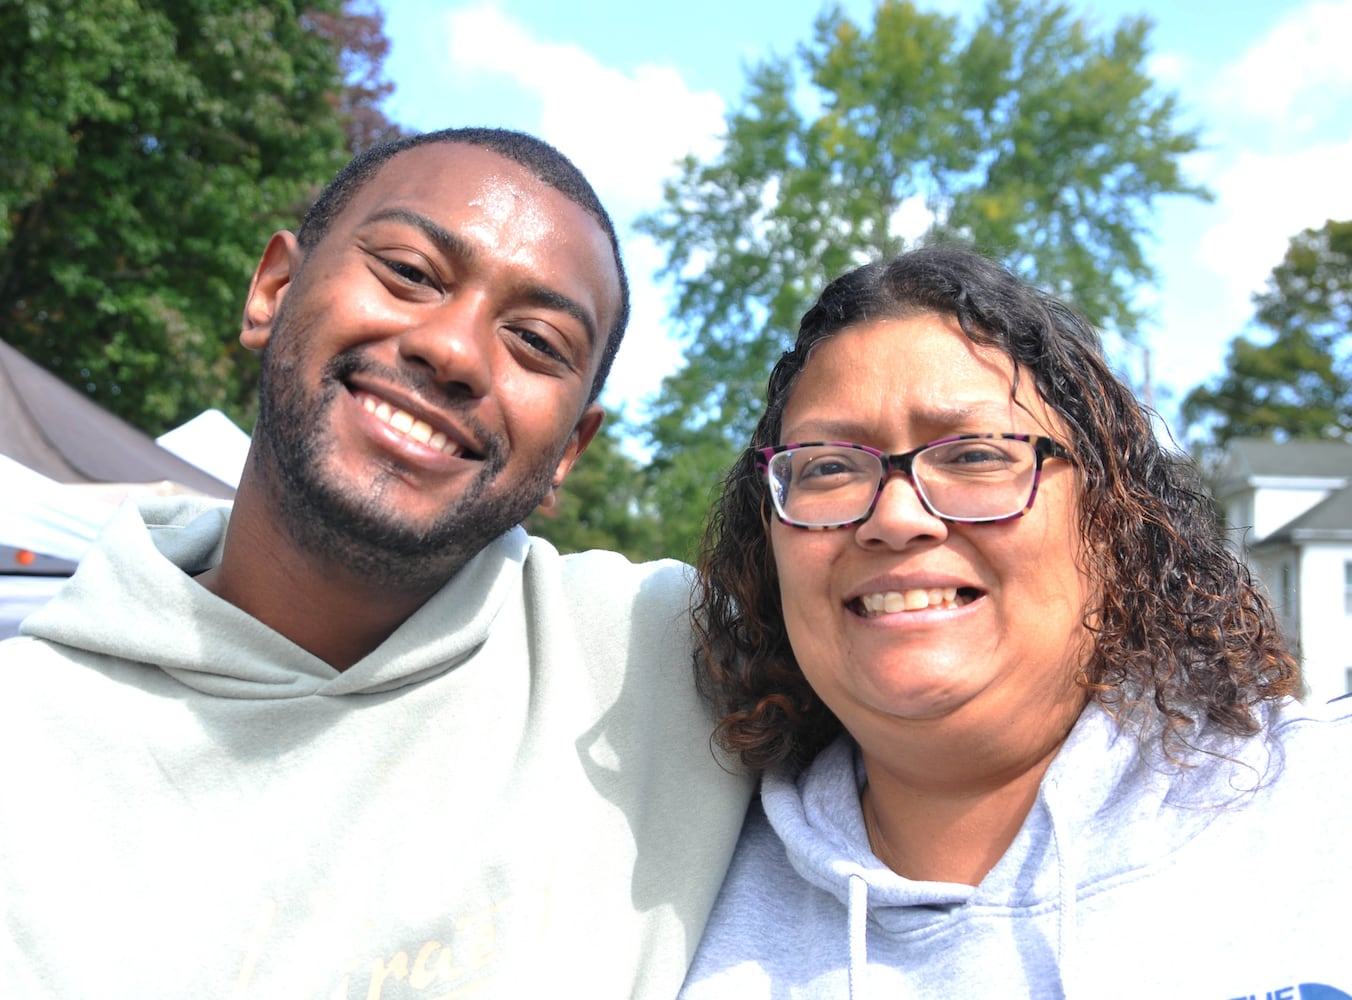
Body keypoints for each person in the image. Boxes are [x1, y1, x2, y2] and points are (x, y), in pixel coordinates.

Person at [0, 128, 750, 998]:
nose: (457, 350)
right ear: (273, 291)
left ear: (569, 452)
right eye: (411, 272)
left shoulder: (672, 662)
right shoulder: (26, 728)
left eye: (538, 342)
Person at [679, 247, 1352, 999]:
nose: (895, 518)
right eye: (829, 468)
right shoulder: (663, 905)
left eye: (973, 454)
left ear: (1112, 519)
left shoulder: (1326, 811)